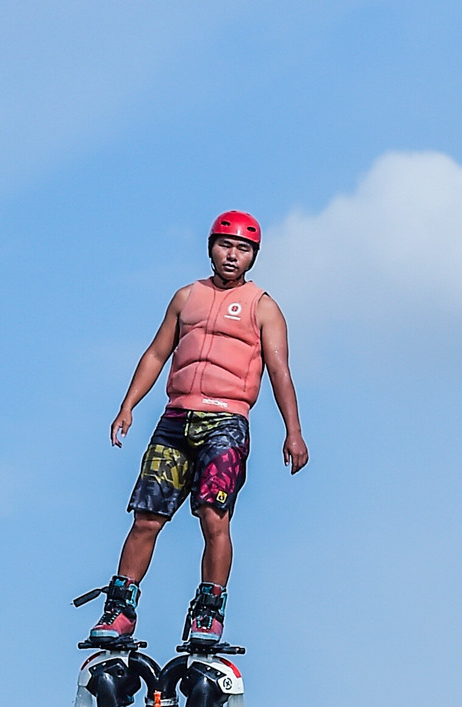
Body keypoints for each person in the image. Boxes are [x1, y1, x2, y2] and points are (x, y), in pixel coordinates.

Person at [80, 209, 307, 651]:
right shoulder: (186, 297)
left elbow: (280, 371)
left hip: (225, 421)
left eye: (242, 249)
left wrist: (292, 431)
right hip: (176, 418)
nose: (232, 255)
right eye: (225, 245)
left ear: (253, 256)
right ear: (210, 247)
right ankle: (121, 609)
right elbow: (156, 354)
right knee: (146, 517)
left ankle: (209, 611)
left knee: (213, 516)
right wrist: (128, 406)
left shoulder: (264, 307)